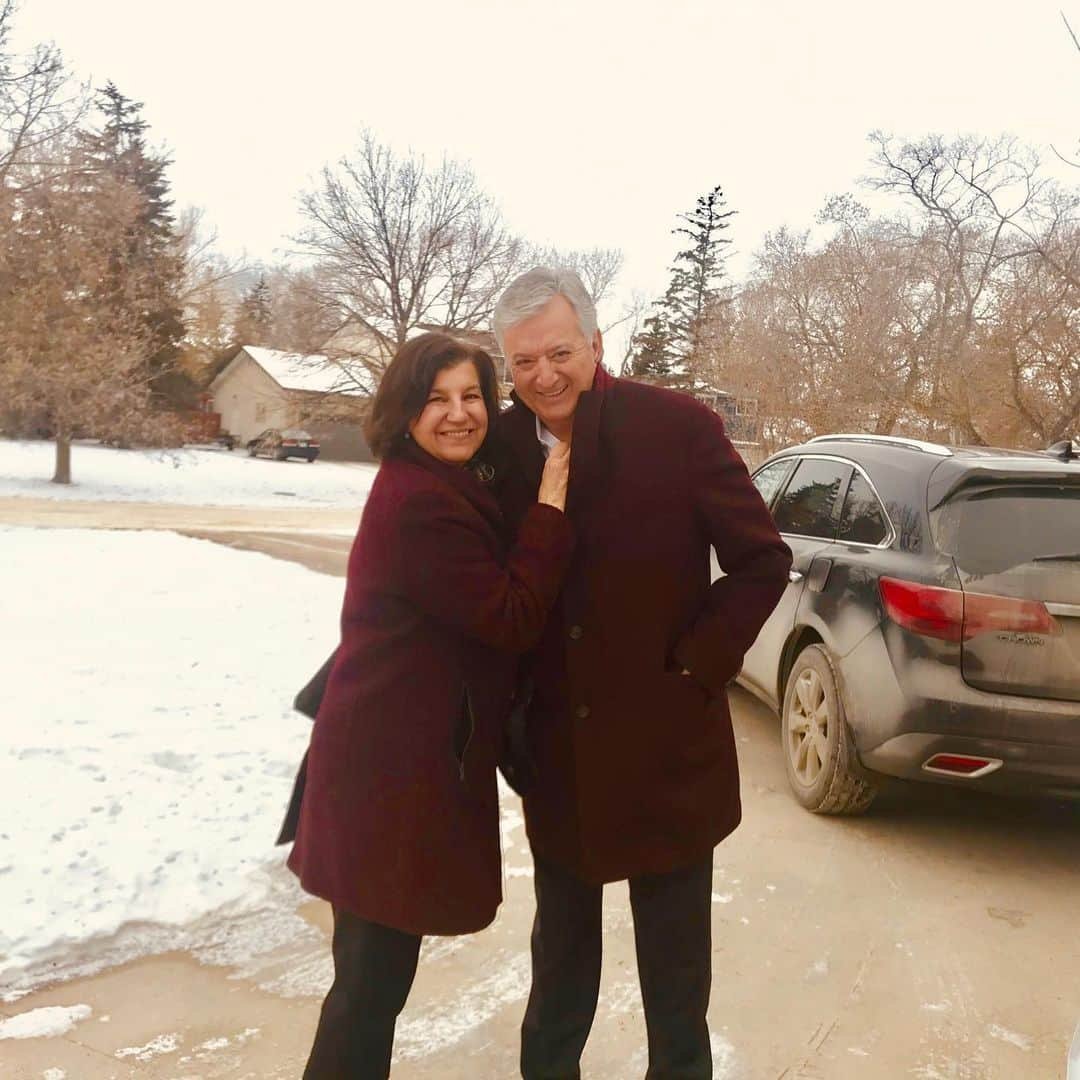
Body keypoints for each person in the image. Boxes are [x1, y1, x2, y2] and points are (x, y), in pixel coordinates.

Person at [491, 267, 793, 1079]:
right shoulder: (501, 451)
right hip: (558, 759)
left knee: (675, 987)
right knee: (558, 982)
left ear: (595, 343)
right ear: (506, 370)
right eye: (523, 363)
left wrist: (694, 669)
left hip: (669, 757)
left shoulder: (678, 428)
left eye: (559, 352)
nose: (544, 375)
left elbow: (762, 562)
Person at [288, 332, 575, 1079]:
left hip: (388, 769)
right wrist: (548, 507)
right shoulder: (421, 506)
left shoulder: (442, 484)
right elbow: (511, 615)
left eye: (472, 395)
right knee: (367, 988)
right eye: (436, 399)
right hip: (384, 781)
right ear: (406, 411)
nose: (457, 414)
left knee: (371, 985)